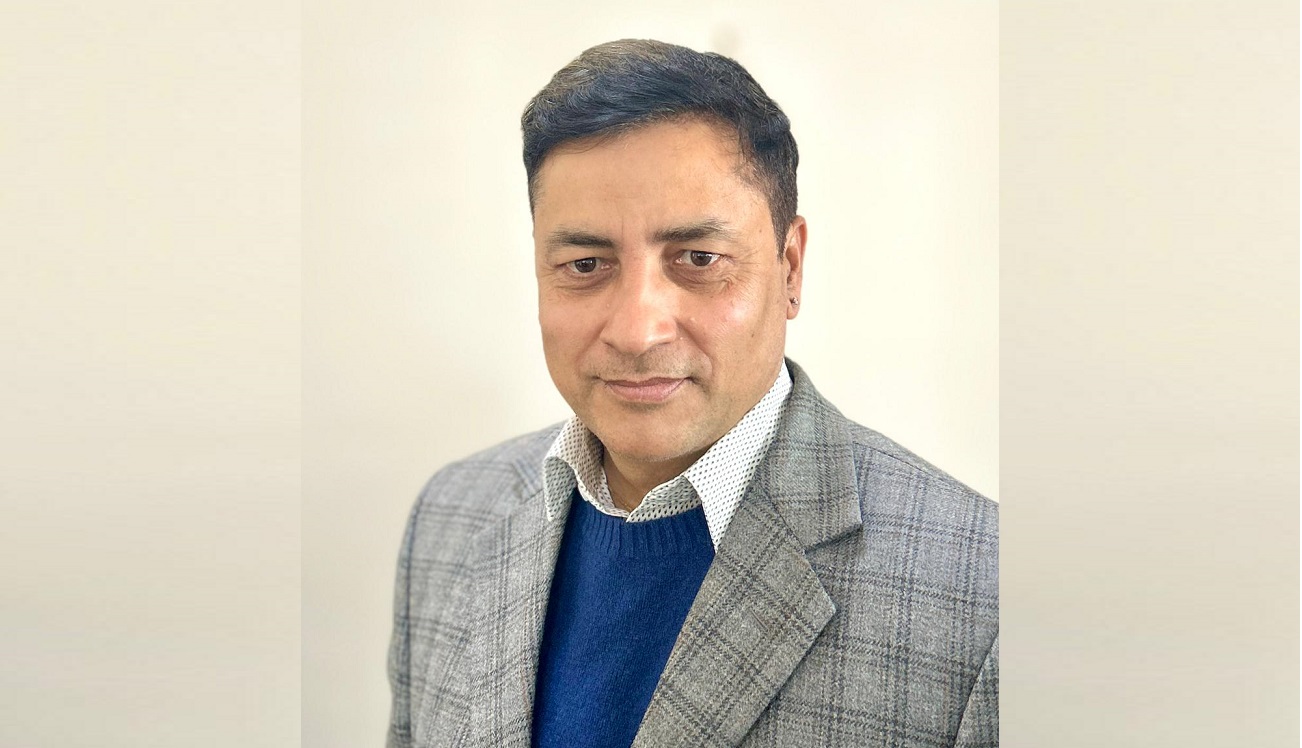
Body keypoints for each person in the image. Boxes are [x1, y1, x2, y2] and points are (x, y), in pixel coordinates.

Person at [386, 39, 997, 748]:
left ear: (790, 268)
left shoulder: (983, 597)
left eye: (699, 259)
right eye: (584, 264)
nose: (637, 330)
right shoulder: (450, 518)